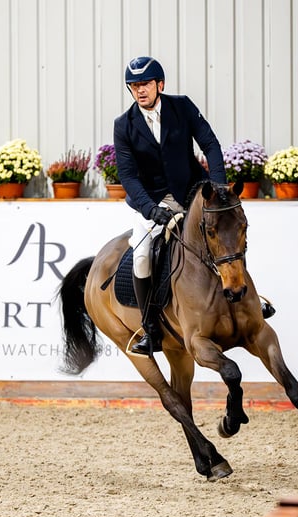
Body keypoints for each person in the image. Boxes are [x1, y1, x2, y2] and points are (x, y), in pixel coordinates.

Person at [113, 56, 228, 356]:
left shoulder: (183, 107)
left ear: (160, 85)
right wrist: (150, 209)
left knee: (225, 231)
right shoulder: (123, 125)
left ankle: (247, 301)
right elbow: (128, 175)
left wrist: (218, 187)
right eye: (134, 86)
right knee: (142, 256)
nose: (140, 90)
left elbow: (210, 144)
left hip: (191, 191)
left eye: (145, 84)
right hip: (150, 201)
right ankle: (150, 328)